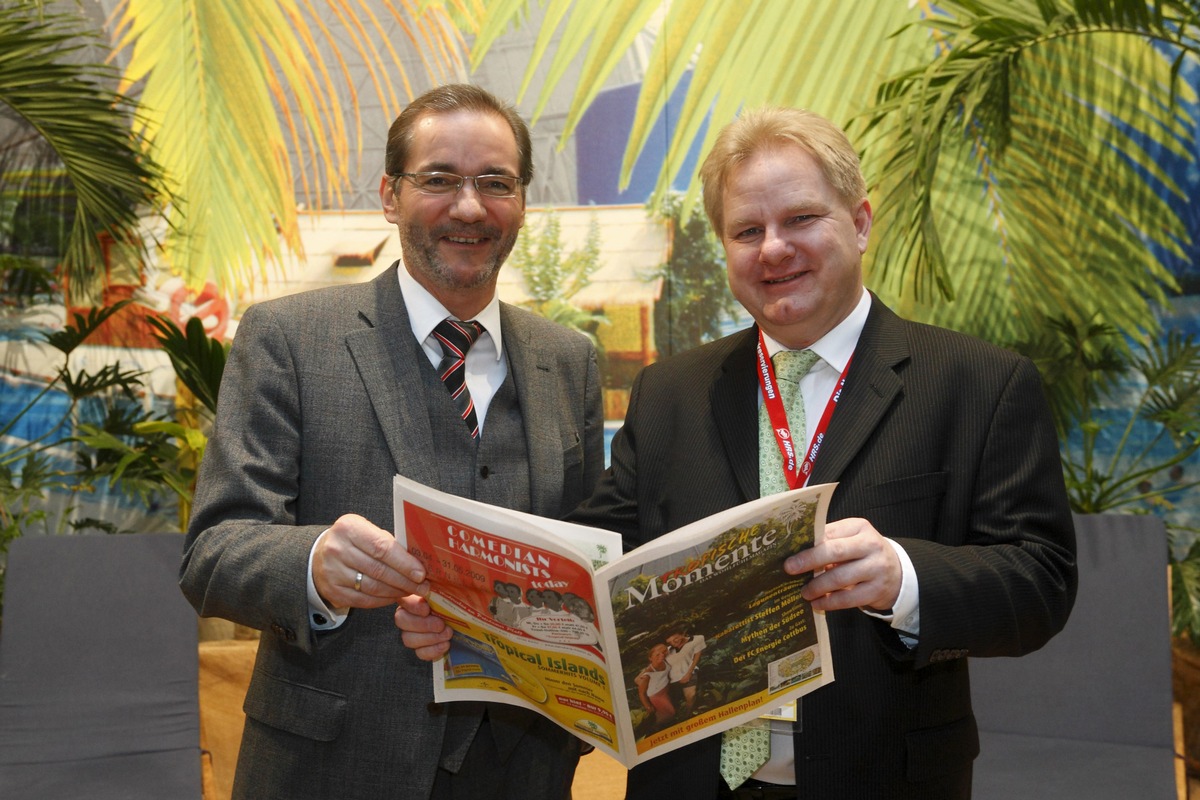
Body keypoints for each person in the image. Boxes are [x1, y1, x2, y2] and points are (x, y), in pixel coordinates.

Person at [398, 105, 1077, 799]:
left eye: (801, 220)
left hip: (883, 776)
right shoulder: (670, 392)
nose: (774, 249)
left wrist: (902, 577)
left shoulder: (978, 384)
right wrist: (467, 612)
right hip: (686, 780)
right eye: (747, 231)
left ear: (861, 221)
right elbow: (595, 562)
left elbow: (1041, 581)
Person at [179, 83, 604, 800]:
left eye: (495, 182)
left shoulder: (569, 359)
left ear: (523, 202)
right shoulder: (288, 338)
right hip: (334, 764)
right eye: (438, 179)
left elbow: (591, 553)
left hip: (524, 765)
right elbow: (214, 550)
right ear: (389, 194)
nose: (469, 206)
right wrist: (314, 564)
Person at [634, 643, 677, 733]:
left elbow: (667, 649)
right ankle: (654, 727)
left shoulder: (664, 659)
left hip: (666, 689)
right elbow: (641, 692)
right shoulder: (647, 674)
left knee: (665, 711)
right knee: (670, 713)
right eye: (657, 654)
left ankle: (658, 720)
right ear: (650, 658)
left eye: (663, 652)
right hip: (657, 695)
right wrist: (648, 707)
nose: (662, 655)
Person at [665, 630, 705, 713]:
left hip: (688, 674)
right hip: (671, 680)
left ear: (683, 633)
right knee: (673, 705)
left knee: (691, 697)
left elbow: (696, 657)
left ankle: (688, 716)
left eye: (675, 639)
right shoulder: (668, 650)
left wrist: (688, 674)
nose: (673, 643)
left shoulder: (697, 639)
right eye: (670, 642)